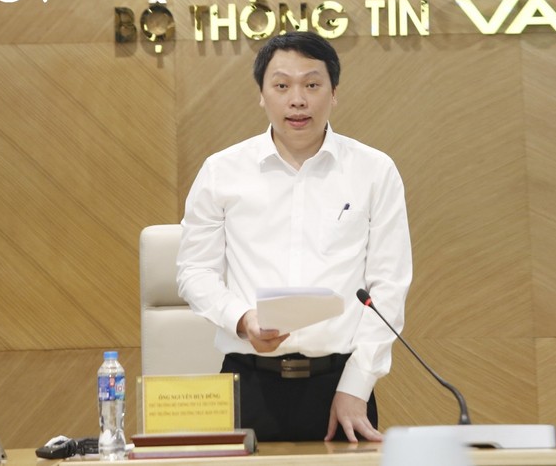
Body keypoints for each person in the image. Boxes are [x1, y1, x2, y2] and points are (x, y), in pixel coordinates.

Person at [176, 31, 412, 442]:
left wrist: (357, 386)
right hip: (247, 384)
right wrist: (243, 319)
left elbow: (389, 286)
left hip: (340, 387)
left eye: (312, 85)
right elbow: (194, 272)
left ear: (334, 93)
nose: (297, 100)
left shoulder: (374, 171)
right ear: (261, 94)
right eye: (282, 86)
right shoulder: (221, 171)